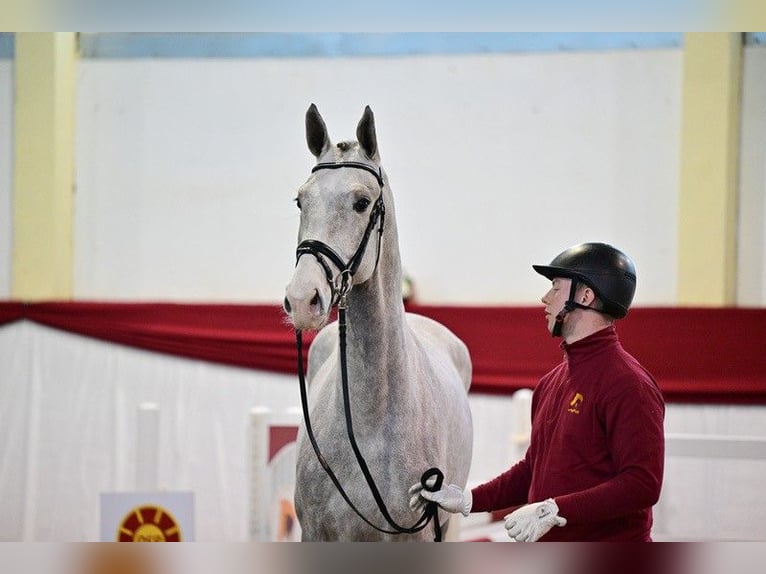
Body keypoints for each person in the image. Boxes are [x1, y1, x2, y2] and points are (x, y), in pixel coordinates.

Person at [409, 242, 665, 541]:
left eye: (556, 288)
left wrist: (555, 509)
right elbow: (533, 468)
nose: (545, 298)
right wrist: (469, 500)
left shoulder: (628, 384)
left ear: (585, 295)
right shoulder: (550, 383)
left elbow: (642, 484)